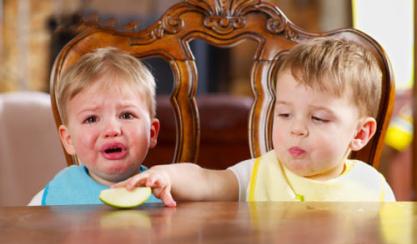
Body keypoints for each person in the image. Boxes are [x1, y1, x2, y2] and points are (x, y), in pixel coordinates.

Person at [114, 38, 396, 204]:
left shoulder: (374, 189)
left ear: (360, 133)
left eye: (319, 118)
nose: (296, 128)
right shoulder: (260, 174)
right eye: (284, 114)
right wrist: (166, 175)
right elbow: (207, 179)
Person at [29, 47, 176, 207]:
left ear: (151, 132)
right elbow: (26, 227)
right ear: (69, 140)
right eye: (91, 119)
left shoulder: (162, 189)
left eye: (126, 115)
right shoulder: (58, 190)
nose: (112, 130)